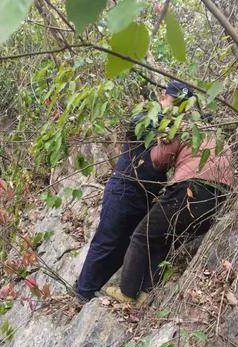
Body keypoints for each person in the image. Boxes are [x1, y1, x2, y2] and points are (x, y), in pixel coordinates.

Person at [75, 80, 194, 301]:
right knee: (108, 239)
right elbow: (137, 126)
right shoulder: (146, 115)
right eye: (174, 102)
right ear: (162, 97)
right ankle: (83, 291)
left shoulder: (180, 129)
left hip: (147, 194)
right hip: (124, 187)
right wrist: (171, 124)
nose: (178, 109)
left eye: (184, 106)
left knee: (127, 245)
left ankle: (91, 287)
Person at [105, 123, 234, 304]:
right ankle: (145, 293)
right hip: (220, 195)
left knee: (142, 236)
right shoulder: (215, 131)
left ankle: (127, 292)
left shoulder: (181, 125)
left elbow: (160, 159)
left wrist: (158, 142)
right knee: (165, 240)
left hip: (191, 187)